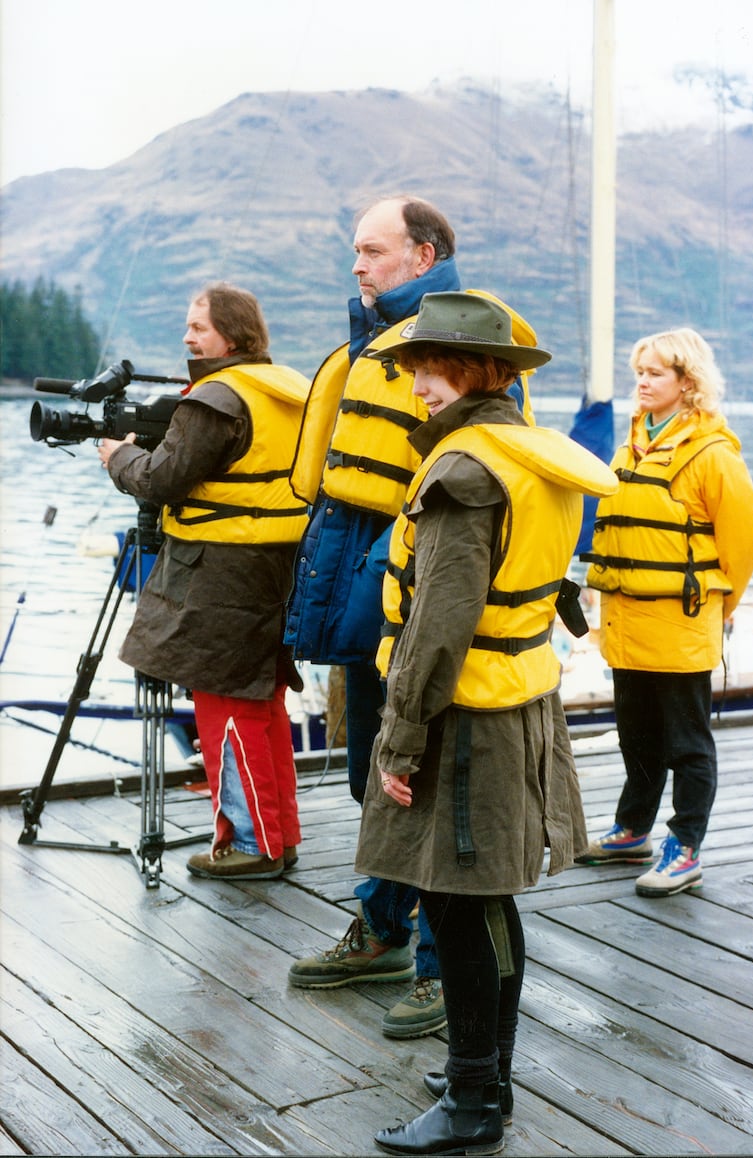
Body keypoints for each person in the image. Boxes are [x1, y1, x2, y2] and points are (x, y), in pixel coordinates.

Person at [350, 291, 617, 1156]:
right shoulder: (525, 453)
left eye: (428, 367)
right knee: (484, 903)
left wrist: (397, 738)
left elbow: (438, 625)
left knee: (460, 906)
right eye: (412, 367)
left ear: (474, 372)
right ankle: (484, 1071)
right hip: (518, 697)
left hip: (465, 711)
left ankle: (473, 1104)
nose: (415, 383)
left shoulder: (464, 473)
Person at [285, 194, 540, 1040]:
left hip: (415, 581)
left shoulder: (473, 347)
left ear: (423, 257)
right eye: (354, 252)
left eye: (371, 250)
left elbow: (498, 471)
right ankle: (384, 929)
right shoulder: (368, 340)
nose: (356, 266)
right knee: (371, 774)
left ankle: (440, 964)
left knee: (419, 775)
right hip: (357, 576)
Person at [97, 282, 310, 880]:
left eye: (199, 327)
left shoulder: (215, 398)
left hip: (221, 575)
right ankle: (278, 834)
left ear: (234, 336)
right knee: (261, 704)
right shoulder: (286, 391)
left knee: (224, 708)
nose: (188, 336)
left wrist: (118, 457)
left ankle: (249, 842)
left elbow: (162, 480)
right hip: (274, 568)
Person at [577, 327, 753, 895]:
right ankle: (633, 828)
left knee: (687, 742)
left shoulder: (713, 456)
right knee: (635, 734)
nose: (642, 381)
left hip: (682, 623)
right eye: (640, 370)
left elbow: (743, 543)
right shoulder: (630, 444)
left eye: (656, 372)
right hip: (627, 621)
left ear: (688, 383)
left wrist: (719, 606)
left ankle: (684, 846)